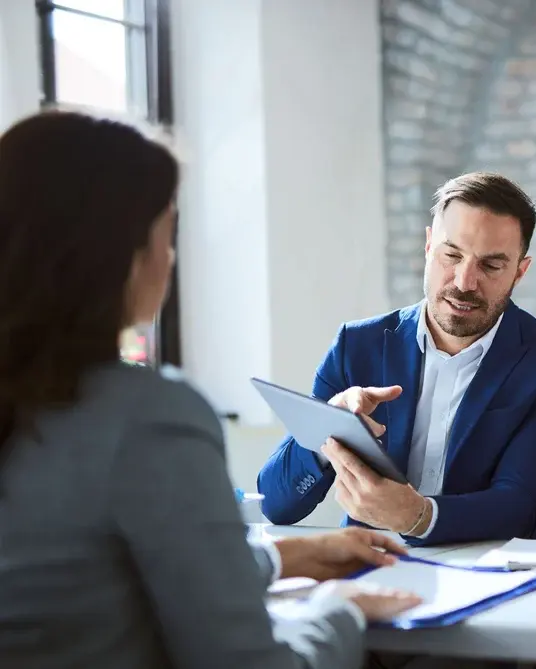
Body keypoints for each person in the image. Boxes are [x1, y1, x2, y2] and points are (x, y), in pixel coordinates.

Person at [0, 111, 420, 669]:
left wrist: (291, 556)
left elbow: (91, 566)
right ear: (123, 256)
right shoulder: (148, 417)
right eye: (167, 234)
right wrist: (338, 611)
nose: (170, 259)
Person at [258, 172, 536, 546]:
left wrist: (418, 517)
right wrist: (328, 427)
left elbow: (519, 504)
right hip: (370, 569)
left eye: (491, 266)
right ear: (429, 246)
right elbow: (276, 504)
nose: (464, 281)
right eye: (452, 255)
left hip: (485, 578)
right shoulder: (357, 345)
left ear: (520, 271)